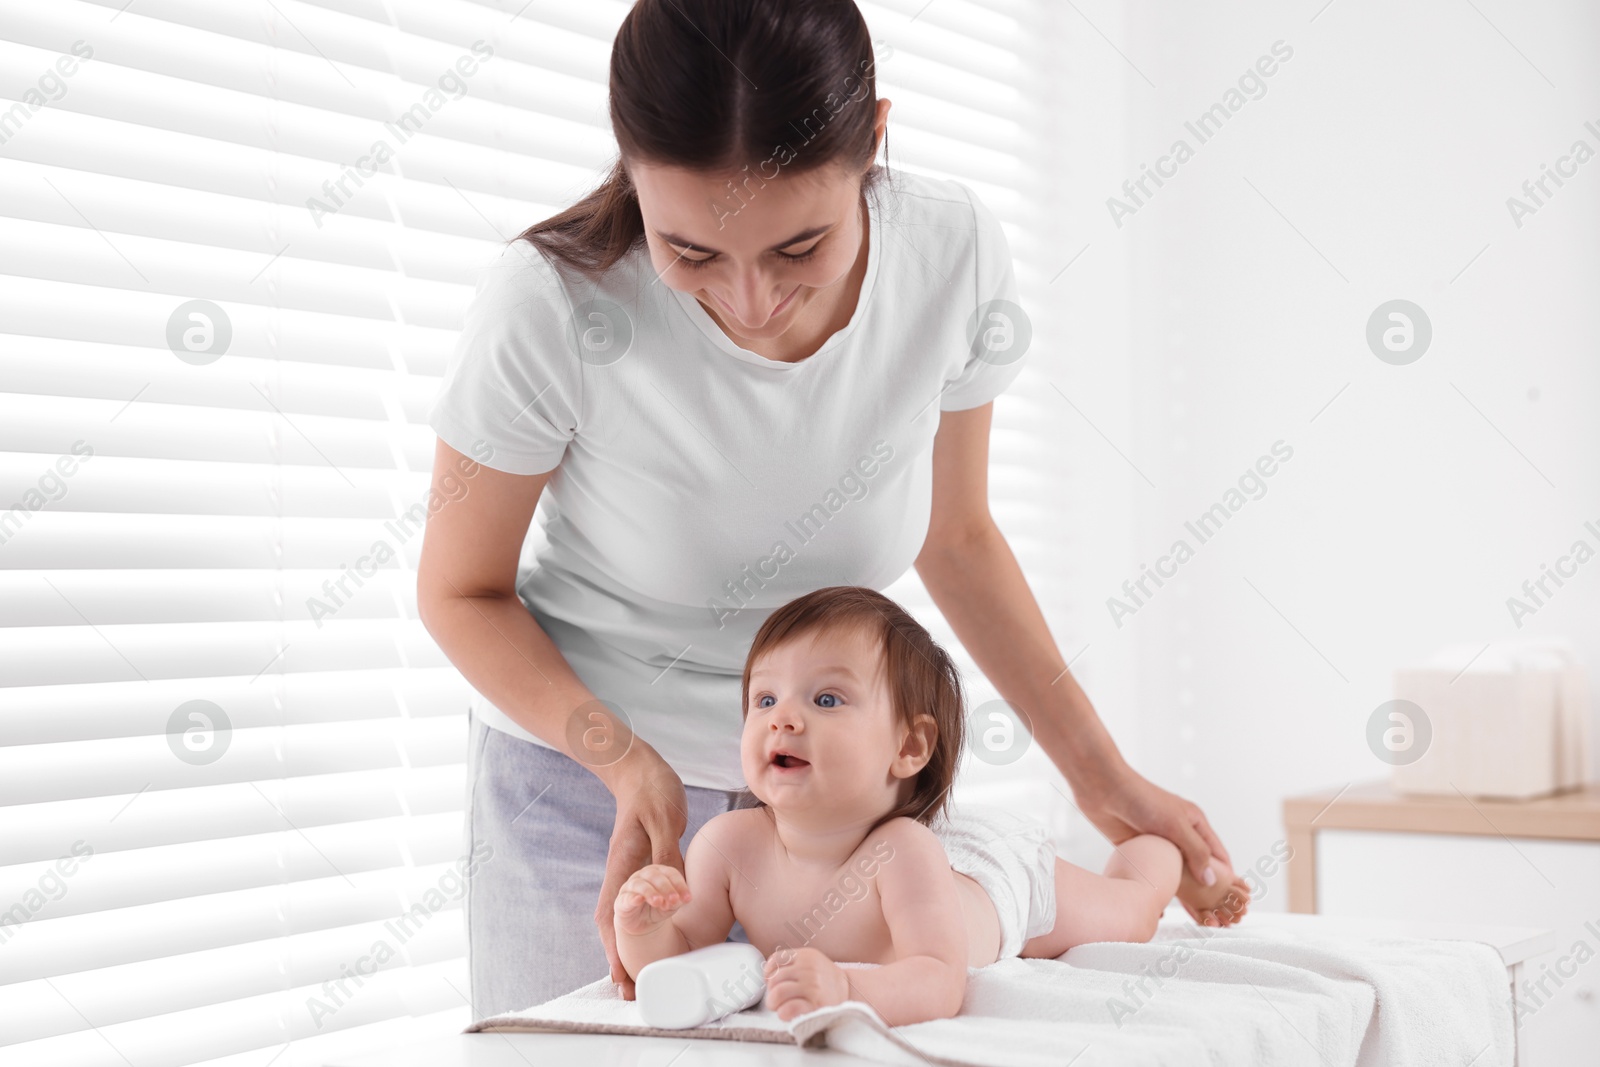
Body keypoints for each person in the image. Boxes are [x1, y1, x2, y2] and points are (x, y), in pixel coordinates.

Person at [416, 0, 1238, 1022]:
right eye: (694, 254)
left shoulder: (947, 257)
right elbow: (461, 589)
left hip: (836, 809)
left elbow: (958, 535)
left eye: (799, 247)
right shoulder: (549, 305)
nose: (752, 301)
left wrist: (1104, 779)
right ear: (630, 170)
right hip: (590, 799)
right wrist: (624, 761)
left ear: (874, 143)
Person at [614, 586, 1250, 1026]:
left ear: (910, 746)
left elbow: (939, 980)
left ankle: (1161, 857)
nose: (784, 720)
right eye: (765, 700)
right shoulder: (727, 846)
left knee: (1131, 913)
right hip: (941, 854)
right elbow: (677, 962)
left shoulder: (902, 853)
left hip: (994, 881)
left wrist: (846, 986)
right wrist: (641, 929)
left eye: (827, 700)